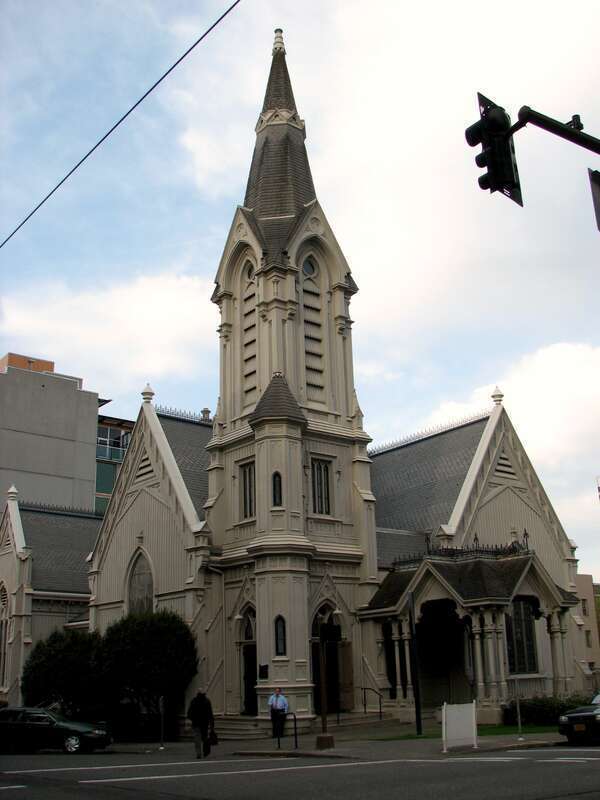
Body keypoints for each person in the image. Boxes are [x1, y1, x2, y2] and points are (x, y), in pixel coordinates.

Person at [187, 689, 215, 759]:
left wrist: (192, 718)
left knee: (197, 739)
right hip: (204, 723)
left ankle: (198, 753)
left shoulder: (194, 701)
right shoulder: (207, 701)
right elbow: (210, 714)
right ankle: (205, 751)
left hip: (196, 723)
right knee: (204, 738)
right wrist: (212, 724)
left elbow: (189, 712)